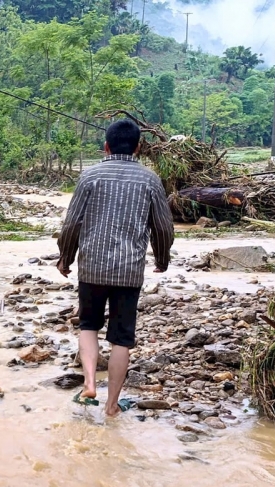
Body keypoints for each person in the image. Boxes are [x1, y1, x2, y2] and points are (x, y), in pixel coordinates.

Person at [56, 119, 174, 418]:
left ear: (106, 146)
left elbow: (72, 223)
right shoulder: (150, 180)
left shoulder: (90, 176)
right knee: (121, 338)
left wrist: (65, 257)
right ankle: (111, 406)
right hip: (129, 271)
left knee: (88, 325)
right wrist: (162, 258)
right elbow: (163, 227)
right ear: (138, 148)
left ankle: (90, 384)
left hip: (92, 267)